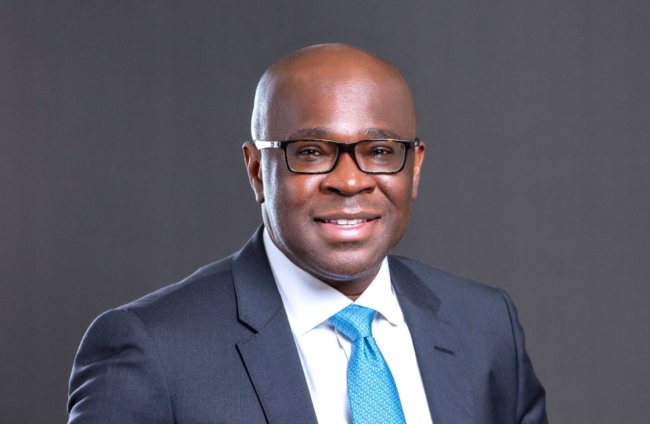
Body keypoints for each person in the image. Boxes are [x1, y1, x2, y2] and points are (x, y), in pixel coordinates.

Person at [67, 44, 547, 424]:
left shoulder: (486, 326)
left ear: (414, 167)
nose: (351, 181)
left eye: (380, 151)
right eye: (312, 151)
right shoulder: (151, 351)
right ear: (257, 170)